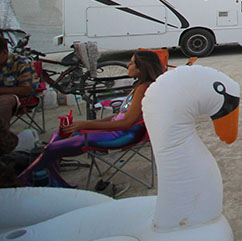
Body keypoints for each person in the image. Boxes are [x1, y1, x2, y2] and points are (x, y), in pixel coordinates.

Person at [18, 49, 164, 189]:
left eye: (131, 63)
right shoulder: (138, 86)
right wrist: (82, 125)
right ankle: (53, 179)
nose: (127, 65)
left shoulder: (143, 89)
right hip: (117, 129)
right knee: (59, 134)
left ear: (141, 68)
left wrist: (85, 124)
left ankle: (24, 179)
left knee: (53, 147)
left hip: (123, 135)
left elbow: (126, 122)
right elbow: (117, 117)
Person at [0, 35, 37, 146]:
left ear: (4, 53)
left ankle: (2, 139)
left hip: (18, 98)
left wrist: (1, 90)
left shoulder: (22, 63)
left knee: (4, 102)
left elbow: (27, 90)